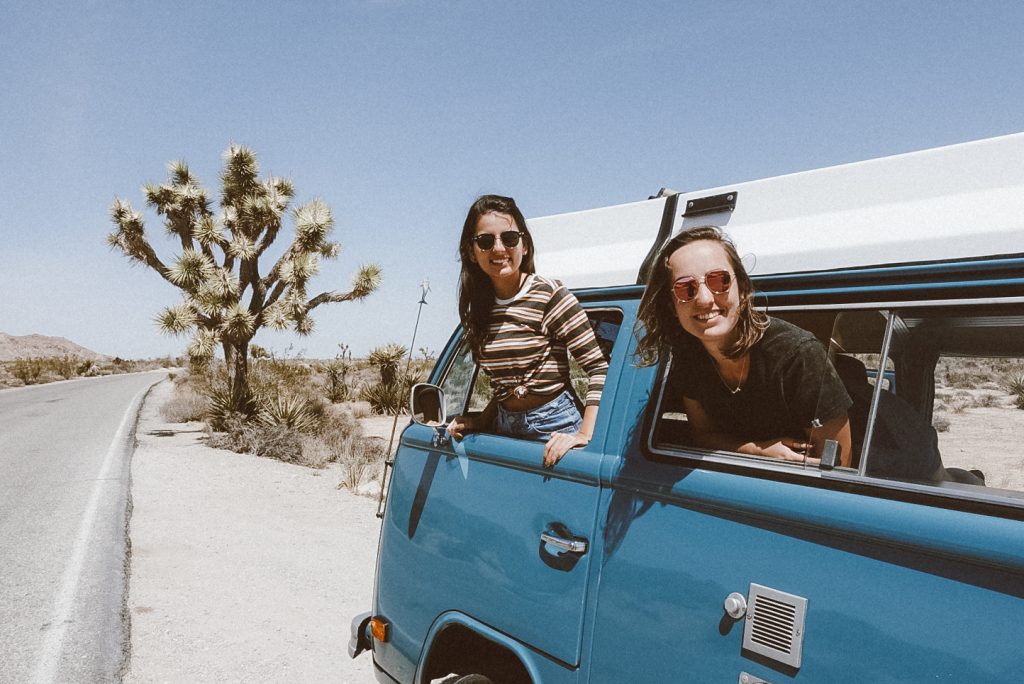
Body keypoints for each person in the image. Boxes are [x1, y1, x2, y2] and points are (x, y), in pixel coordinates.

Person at [635, 226, 853, 466]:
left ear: (742, 287)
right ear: (672, 306)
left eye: (719, 280)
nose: (706, 299)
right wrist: (757, 450)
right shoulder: (689, 357)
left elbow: (836, 465)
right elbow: (702, 436)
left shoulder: (797, 355)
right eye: (685, 288)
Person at [446, 194, 609, 467]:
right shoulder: (480, 310)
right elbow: (504, 387)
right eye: (486, 241)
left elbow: (598, 368)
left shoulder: (549, 295)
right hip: (504, 428)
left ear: (524, 245)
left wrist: (584, 434)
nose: (499, 248)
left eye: (509, 238)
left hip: (557, 426)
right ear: (471, 252)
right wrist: (478, 421)